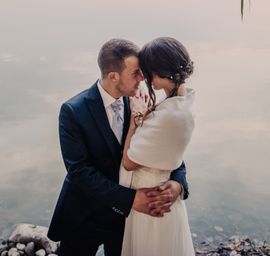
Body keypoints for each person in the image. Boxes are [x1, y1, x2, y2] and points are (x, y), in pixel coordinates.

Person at [47, 38, 189, 256]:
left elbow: (167, 148)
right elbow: (79, 171)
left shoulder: (143, 102)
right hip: (85, 215)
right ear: (113, 77)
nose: (143, 79)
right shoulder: (73, 111)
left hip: (126, 222)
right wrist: (131, 200)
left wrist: (178, 183)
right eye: (136, 73)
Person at [119, 37, 196, 256]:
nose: (146, 79)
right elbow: (171, 152)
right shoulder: (184, 101)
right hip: (156, 198)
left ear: (161, 70)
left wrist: (135, 121)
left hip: (151, 202)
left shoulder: (170, 114)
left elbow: (129, 162)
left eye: (149, 72)